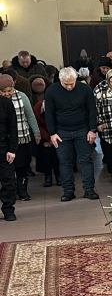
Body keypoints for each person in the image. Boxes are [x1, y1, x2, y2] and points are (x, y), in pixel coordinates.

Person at [45, 67, 99, 202]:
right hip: (61, 131)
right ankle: (68, 191)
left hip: (83, 129)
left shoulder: (85, 89)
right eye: (66, 84)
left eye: (72, 83)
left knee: (86, 160)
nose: (69, 87)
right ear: (60, 80)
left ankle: (89, 190)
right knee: (64, 162)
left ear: (76, 79)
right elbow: (49, 114)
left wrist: (92, 130)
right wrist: (52, 133)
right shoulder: (51, 90)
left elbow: (92, 110)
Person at [0, 74, 39, 204]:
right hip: (5, 141)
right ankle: (11, 191)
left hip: (22, 137)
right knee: (8, 169)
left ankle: (22, 190)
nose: (7, 94)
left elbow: (30, 115)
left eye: (9, 90)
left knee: (22, 166)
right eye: (3, 91)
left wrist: (36, 132)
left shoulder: (22, 96)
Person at [29, 76, 58, 187]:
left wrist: (53, 138)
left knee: (57, 155)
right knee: (46, 154)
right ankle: (48, 177)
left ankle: (58, 176)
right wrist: (47, 139)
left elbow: (61, 122)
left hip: (57, 136)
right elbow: (36, 124)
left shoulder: (58, 106)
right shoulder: (38, 107)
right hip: (44, 139)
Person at [0, 85, 17, 220]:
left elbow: (13, 128)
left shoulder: (5, 103)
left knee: (9, 180)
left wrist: (12, 149)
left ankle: (8, 209)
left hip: (4, 147)